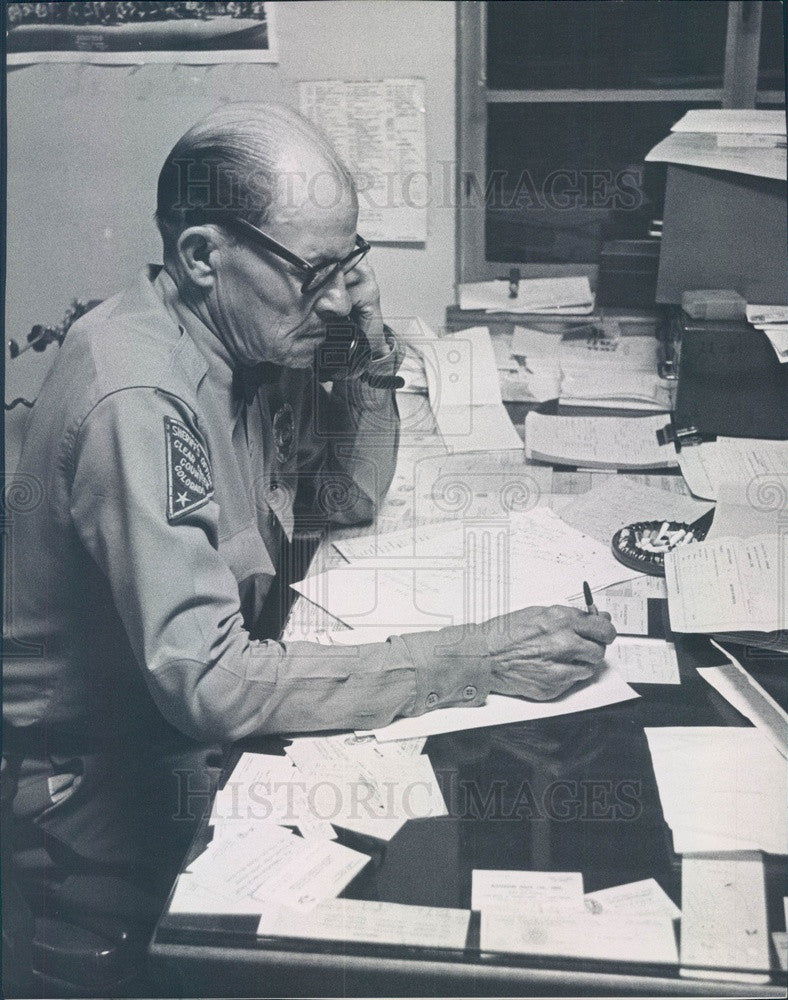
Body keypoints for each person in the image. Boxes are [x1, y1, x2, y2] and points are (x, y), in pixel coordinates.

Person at [2, 103, 615, 943]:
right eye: (316, 269)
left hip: (192, 739)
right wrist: (476, 657)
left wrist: (364, 351)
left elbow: (340, 497)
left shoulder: (247, 337)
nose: (340, 294)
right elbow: (211, 685)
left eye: (351, 258)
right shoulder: (139, 399)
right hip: (106, 794)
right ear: (202, 257)